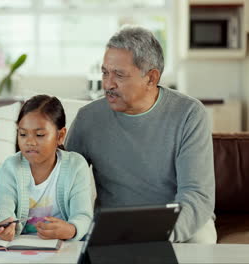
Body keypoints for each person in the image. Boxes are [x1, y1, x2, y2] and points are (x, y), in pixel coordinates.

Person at [66, 25, 216, 243]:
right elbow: (63, 181)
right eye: (105, 72)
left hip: (176, 222)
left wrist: (155, 235)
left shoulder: (189, 114)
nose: (107, 84)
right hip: (115, 223)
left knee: (202, 238)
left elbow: (197, 196)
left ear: (151, 78)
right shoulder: (88, 118)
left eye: (119, 74)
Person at [0, 95, 94, 241]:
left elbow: (83, 215)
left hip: (62, 242)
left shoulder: (76, 165)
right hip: (19, 242)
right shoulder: (11, 166)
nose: (30, 142)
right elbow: (1, 206)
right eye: (23, 134)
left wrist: (71, 230)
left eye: (39, 135)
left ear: (60, 136)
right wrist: (3, 224)